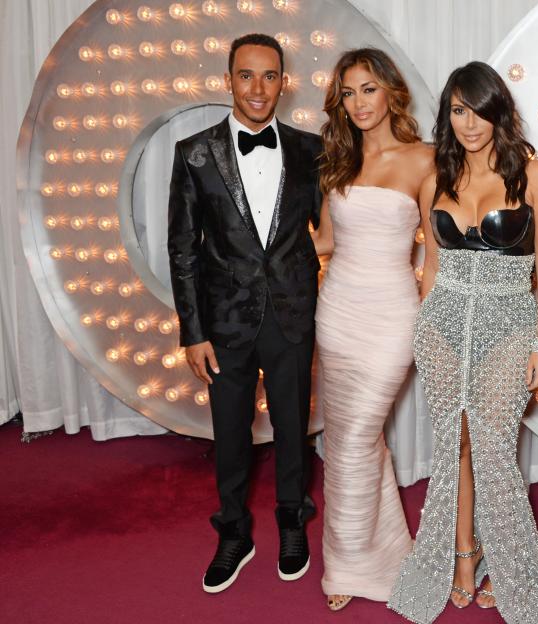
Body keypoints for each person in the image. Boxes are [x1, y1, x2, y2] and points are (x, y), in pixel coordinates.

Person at [388, 61, 538, 624]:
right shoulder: (436, 177)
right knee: (456, 447)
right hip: (444, 324)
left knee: (494, 450)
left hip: (510, 323)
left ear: (499, 109)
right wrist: (425, 325)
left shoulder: (535, 175)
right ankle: (464, 557)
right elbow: (433, 265)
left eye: (478, 109)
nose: (469, 123)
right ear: (447, 116)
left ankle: (514, 566)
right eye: (457, 110)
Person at [167, 33, 322, 594]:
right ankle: (233, 532)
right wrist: (193, 332)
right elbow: (182, 249)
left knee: (291, 430)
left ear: (285, 81)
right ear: (228, 80)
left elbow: (330, 230)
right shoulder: (194, 152)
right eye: (247, 76)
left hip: (291, 316)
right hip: (223, 325)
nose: (259, 88)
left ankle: (291, 521)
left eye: (270, 76)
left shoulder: (312, 149)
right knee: (229, 435)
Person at [311, 48, 433, 612]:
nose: (358, 103)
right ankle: (357, 559)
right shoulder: (336, 164)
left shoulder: (424, 160)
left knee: (358, 436)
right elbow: (326, 244)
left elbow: (435, 256)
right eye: (349, 92)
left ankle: (358, 558)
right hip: (336, 314)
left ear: (391, 93)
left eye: (368, 89)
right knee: (346, 442)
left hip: (391, 317)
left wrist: (434, 324)